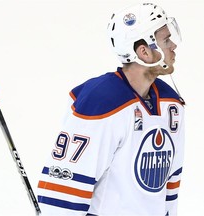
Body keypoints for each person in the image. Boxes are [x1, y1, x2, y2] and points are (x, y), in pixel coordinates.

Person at [37, 2, 185, 215]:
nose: (173, 46)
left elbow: (170, 184)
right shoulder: (101, 102)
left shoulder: (171, 105)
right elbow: (65, 189)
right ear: (143, 51)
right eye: (166, 40)